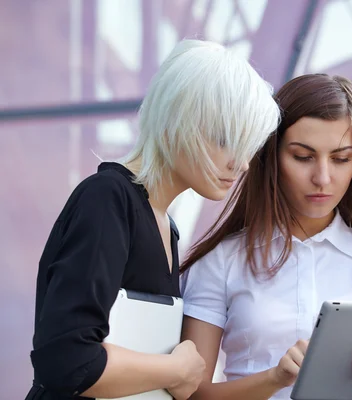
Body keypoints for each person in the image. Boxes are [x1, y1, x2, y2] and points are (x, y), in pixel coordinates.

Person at [26, 39, 280, 400]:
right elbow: (66, 359)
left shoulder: (164, 225)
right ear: (181, 120)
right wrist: (179, 369)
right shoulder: (108, 199)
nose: (240, 164)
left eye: (247, 147)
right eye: (227, 139)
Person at [179, 73, 352, 400]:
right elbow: (190, 395)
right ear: (271, 156)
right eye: (303, 156)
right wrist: (274, 378)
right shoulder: (220, 261)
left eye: (341, 158)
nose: (322, 177)